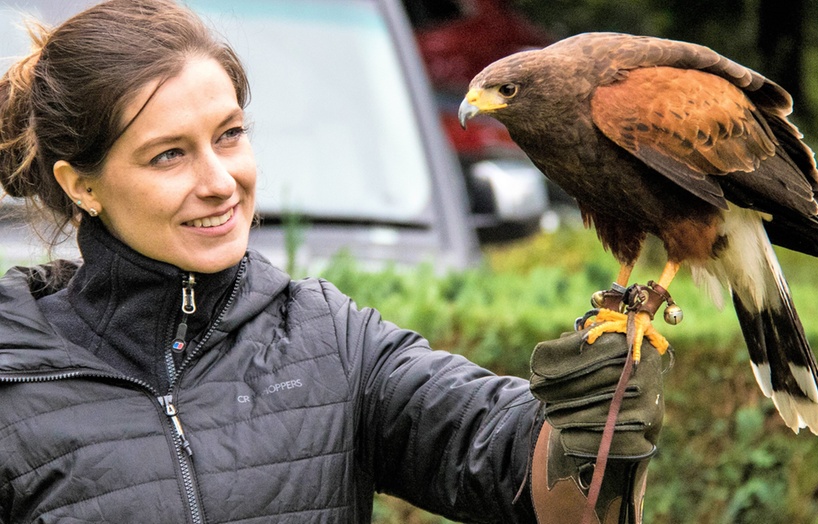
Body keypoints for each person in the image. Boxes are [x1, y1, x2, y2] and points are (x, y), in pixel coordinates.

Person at [0, 1, 665, 522]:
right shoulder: (15, 370)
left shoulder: (327, 338)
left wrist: (589, 424)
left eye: (229, 136)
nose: (219, 181)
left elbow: (518, 467)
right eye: (169, 154)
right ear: (82, 185)